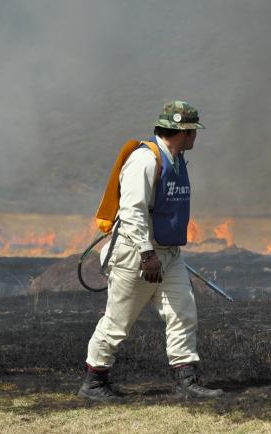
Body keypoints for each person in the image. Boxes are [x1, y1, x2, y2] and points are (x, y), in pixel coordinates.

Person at [77, 101, 223, 402]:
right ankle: (94, 382)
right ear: (182, 130)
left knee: (183, 312)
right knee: (118, 322)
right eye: (193, 129)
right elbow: (132, 212)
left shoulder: (177, 159)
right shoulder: (145, 160)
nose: (195, 135)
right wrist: (146, 255)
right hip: (137, 255)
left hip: (169, 254)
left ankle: (187, 378)